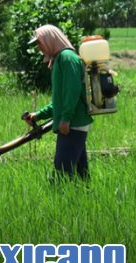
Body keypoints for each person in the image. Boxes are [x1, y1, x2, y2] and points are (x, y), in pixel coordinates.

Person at [23, 24, 92, 180]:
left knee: (61, 176)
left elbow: (72, 91)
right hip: (72, 123)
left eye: (39, 43)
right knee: (81, 177)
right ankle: (84, 195)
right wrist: (38, 115)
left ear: (50, 40)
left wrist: (66, 119)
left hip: (72, 124)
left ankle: (59, 195)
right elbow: (60, 101)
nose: (39, 47)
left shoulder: (67, 58)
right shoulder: (59, 59)